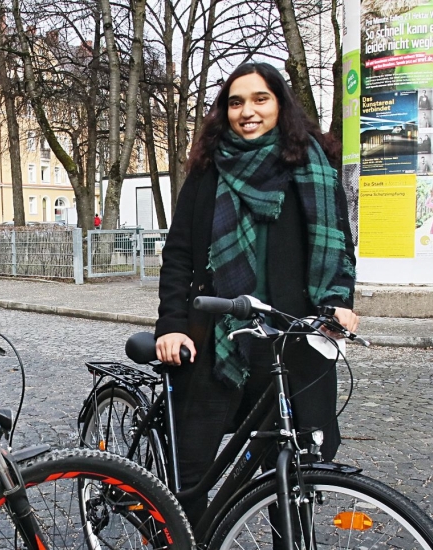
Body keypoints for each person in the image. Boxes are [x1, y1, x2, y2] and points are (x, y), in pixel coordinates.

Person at [153, 62, 357, 526]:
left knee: (291, 480)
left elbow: (339, 246)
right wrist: (171, 326)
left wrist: (338, 303)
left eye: (260, 99)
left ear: (280, 104)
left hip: (289, 340)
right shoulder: (208, 171)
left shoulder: (312, 167)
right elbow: (180, 255)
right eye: (236, 101)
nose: (247, 111)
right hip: (215, 336)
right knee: (191, 475)